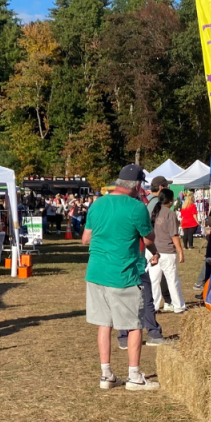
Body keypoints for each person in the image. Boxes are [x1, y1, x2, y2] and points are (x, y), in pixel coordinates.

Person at [82, 164, 159, 392]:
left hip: (96, 273)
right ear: (136, 185)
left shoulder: (97, 204)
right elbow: (148, 237)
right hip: (123, 274)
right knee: (134, 325)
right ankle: (134, 376)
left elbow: (85, 239)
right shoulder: (136, 207)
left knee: (104, 324)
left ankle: (106, 375)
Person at [147, 188, 187, 314]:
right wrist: (180, 250)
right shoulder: (170, 214)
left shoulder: (153, 211)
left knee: (154, 280)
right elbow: (174, 235)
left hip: (153, 251)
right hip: (166, 252)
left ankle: (153, 305)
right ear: (170, 200)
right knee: (172, 280)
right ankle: (178, 306)